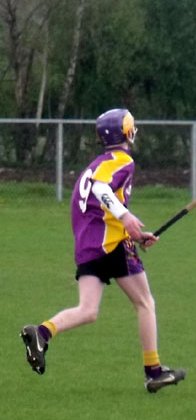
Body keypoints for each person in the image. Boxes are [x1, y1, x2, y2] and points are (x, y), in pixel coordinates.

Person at [20, 108, 186, 393]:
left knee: (88, 310)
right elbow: (101, 190)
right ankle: (153, 371)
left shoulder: (96, 163)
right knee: (145, 303)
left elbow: (98, 203)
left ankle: (43, 332)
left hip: (88, 245)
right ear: (126, 132)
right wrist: (125, 219)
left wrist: (134, 231)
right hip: (111, 244)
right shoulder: (122, 161)